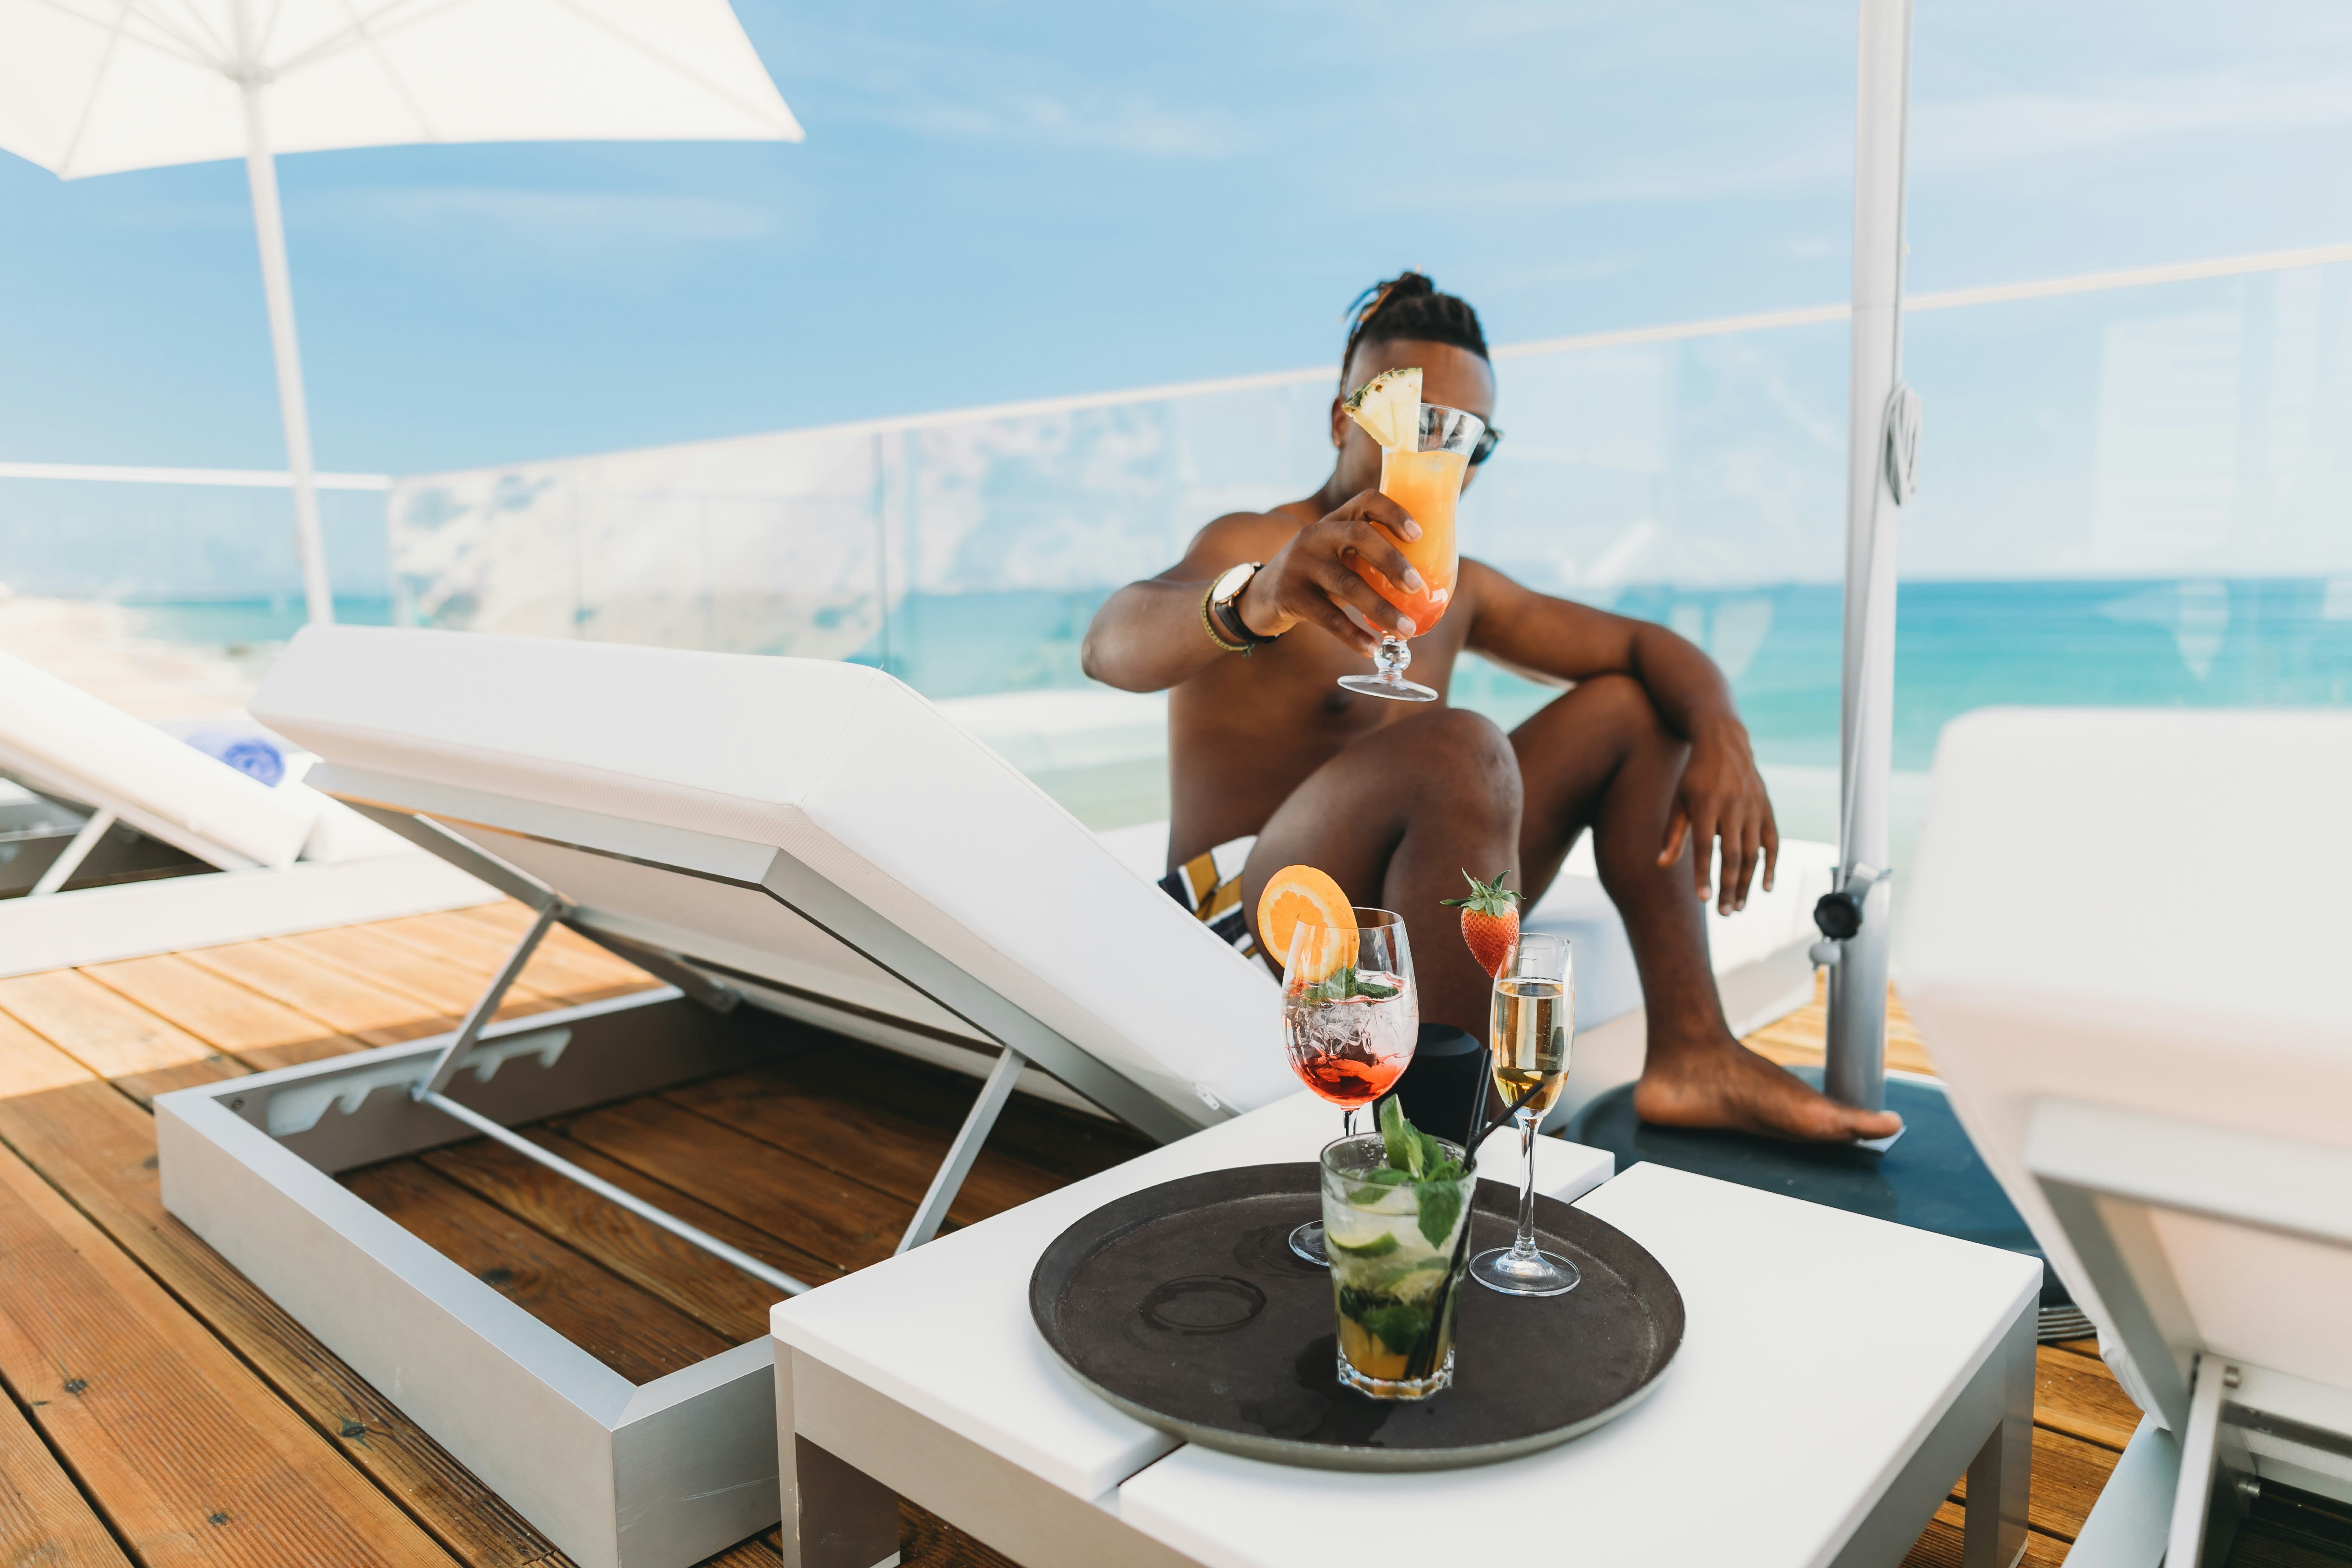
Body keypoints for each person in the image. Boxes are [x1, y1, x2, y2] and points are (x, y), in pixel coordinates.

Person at [1081, 272, 1900, 1142]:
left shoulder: (1457, 588)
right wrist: (1256, 599)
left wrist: (1721, 732)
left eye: (1469, 436)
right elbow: (1109, 647)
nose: (1442, 447)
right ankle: (1457, 1143)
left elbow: (1643, 648)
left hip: (1390, 917)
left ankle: (1692, 1052)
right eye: (1409, 415)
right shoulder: (1254, 544)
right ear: (1339, 422)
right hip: (1254, 925)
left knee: (1634, 709)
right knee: (1461, 746)